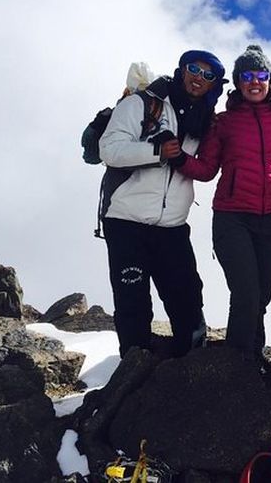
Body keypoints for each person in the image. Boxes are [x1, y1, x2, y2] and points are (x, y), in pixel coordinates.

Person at [169, 45, 271, 367]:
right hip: (233, 218)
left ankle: (251, 357)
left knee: (261, 298)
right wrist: (180, 159)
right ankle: (236, 368)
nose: (255, 82)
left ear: (269, 79)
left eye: (261, 75)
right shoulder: (223, 122)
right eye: (247, 76)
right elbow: (208, 169)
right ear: (238, 82)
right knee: (247, 294)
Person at [98, 50, 227, 359]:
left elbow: (205, 168)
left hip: (172, 226)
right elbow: (109, 150)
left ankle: (193, 364)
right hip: (126, 220)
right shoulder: (141, 104)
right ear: (181, 70)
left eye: (208, 75)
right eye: (194, 69)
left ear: (214, 85)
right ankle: (133, 368)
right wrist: (156, 151)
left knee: (187, 296)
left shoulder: (205, 120)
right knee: (132, 300)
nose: (199, 77)